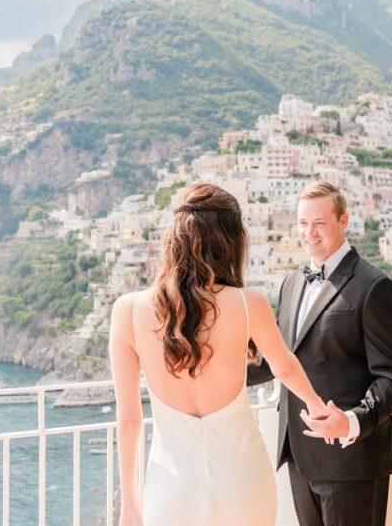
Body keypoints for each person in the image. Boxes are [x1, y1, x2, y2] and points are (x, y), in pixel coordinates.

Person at [108, 183, 329, 526]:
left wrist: (130, 506)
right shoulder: (247, 303)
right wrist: (319, 409)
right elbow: (284, 367)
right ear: (232, 241)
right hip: (244, 482)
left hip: (171, 488)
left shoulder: (128, 310)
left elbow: (128, 421)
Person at [248, 181, 392, 526]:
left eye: (320, 223)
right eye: (303, 224)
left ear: (344, 221)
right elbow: (276, 358)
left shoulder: (374, 286)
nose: (310, 233)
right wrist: (210, 370)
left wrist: (353, 421)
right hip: (299, 457)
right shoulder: (291, 283)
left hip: (352, 458)